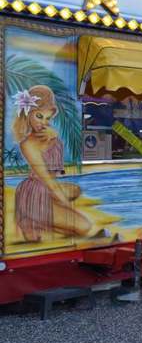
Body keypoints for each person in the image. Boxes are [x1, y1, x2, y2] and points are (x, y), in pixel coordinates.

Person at [13, 85, 94, 241]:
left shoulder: (50, 136)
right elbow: (48, 179)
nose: (43, 123)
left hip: (47, 189)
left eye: (48, 118)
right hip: (35, 191)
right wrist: (66, 205)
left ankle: (36, 220)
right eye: (39, 116)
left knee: (75, 190)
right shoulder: (27, 144)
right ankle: (30, 218)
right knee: (84, 226)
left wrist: (54, 139)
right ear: (28, 113)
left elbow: (57, 171)